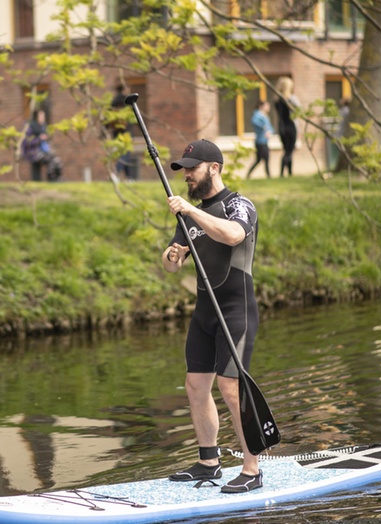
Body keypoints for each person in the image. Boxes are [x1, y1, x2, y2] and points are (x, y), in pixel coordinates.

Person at [162, 139, 263, 494]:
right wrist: (172, 257)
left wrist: (191, 211)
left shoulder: (239, 204)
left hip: (237, 310)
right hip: (204, 312)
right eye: (183, 168)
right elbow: (173, 264)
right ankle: (209, 462)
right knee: (195, 385)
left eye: (192, 167)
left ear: (214, 168)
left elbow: (233, 235)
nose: (186, 174)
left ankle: (252, 469)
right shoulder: (188, 214)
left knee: (230, 387)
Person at [21, 109, 62, 181]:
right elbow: (26, 142)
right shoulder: (30, 127)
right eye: (40, 116)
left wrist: (47, 140)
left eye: (43, 116)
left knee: (57, 160)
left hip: (43, 151)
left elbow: (46, 141)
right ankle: (52, 179)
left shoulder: (43, 127)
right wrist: (39, 139)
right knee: (51, 160)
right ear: (36, 117)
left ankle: (57, 178)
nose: (42, 118)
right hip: (33, 152)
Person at [273, 77, 300, 177]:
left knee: (286, 150)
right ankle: (284, 173)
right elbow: (299, 110)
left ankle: (288, 173)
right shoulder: (291, 100)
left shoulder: (276, 100)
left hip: (281, 128)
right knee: (289, 151)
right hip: (290, 126)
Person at [110, 84, 137, 180]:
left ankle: (129, 177)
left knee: (123, 153)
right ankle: (116, 173)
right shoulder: (128, 101)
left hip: (116, 132)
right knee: (126, 153)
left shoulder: (113, 101)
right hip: (126, 131)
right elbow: (135, 115)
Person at [246, 101, 273, 179]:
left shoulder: (265, 116)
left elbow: (270, 128)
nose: (268, 107)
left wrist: (270, 131)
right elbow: (255, 122)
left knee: (265, 159)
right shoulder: (257, 115)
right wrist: (263, 128)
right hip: (260, 141)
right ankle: (249, 174)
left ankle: (268, 176)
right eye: (266, 106)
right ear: (261, 106)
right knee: (259, 159)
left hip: (265, 141)